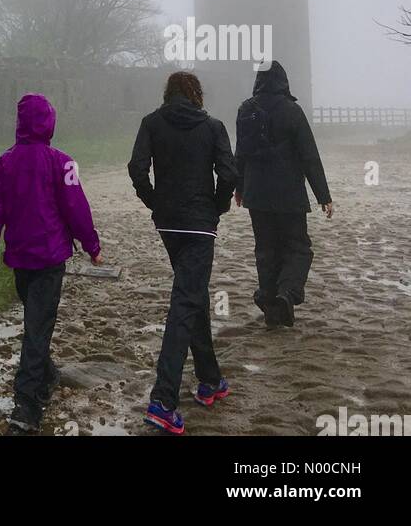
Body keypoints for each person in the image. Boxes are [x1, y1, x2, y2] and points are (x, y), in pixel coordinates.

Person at [0, 92, 102, 435]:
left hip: (22, 258)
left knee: (36, 323)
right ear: (49, 122)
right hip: (48, 258)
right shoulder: (62, 162)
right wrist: (91, 244)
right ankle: (27, 405)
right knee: (37, 326)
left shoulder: (5, 162)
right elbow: (76, 208)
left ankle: (41, 381)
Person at [128, 70, 237, 436]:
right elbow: (229, 173)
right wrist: (217, 207)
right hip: (199, 224)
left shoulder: (151, 123)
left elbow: (136, 168)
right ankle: (163, 400)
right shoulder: (213, 126)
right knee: (185, 301)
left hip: (170, 224)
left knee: (193, 296)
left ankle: (210, 379)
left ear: (168, 93)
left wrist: (154, 203)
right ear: (196, 94)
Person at [234, 59, 332, 329]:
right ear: (283, 81)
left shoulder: (245, 110)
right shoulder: (292, 111)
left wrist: (239, 188)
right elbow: (309, 155)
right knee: (298, 248)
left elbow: (240, 153)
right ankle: (286, 295)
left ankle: (270, 303)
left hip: (257, 195)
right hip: (289, 195)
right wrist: (323, 195)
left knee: (265, 250)